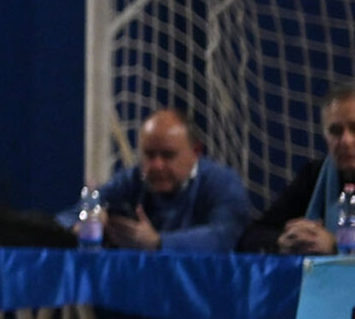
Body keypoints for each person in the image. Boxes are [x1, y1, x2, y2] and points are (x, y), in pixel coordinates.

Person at [87, 108, 252, 253]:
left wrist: (159, 243)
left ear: (195, 152)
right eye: (149, 155)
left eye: (168, 155)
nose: (157, 166)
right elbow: (81, 210)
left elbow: (224, 236)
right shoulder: (134, 178)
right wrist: (88, 222)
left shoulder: (223, 183)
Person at [239, 81, 355, 255]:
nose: (346, 141)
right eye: (335, 131)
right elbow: (253, 235)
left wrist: (335, 245)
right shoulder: (315, 175)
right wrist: (286, 240)